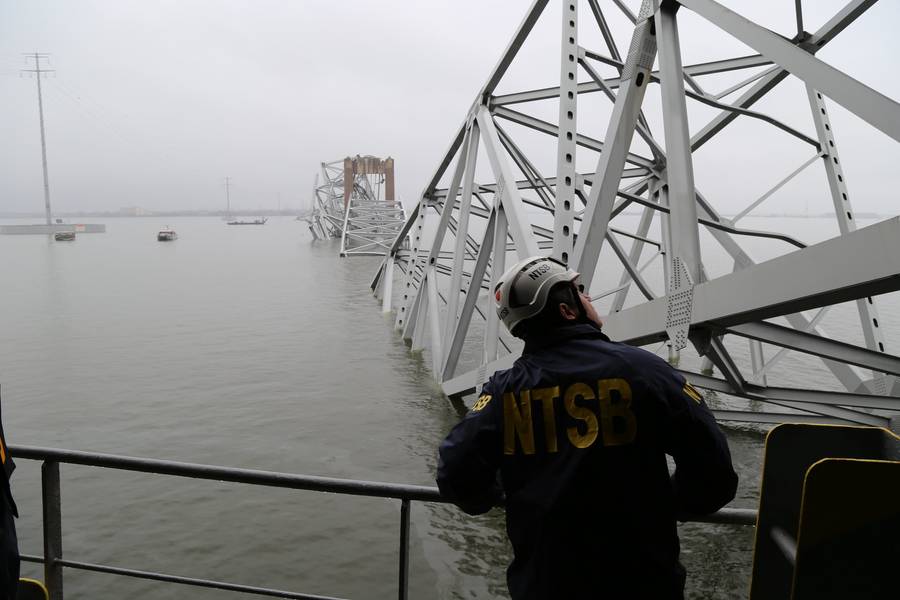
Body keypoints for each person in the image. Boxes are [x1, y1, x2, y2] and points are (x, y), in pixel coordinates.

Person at [436, 256, 738, 600]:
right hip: (643, 582)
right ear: (567, 311)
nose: (589, 298)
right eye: (580, 292)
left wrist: (498, 497)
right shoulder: (646, 371)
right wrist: (667, 507)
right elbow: (714, 473)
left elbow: (455, 475)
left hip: (546, 585)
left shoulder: (503, 392)